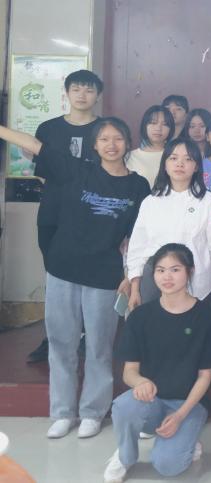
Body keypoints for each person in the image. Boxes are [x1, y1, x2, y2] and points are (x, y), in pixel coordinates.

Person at [0, 118, 150, 439]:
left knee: (99, 347)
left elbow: (137, 237)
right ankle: (63, 412)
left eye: (118, 138)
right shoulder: (76, 170)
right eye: (104, 139)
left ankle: (93, 412)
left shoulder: (138, 187)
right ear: (94, 145)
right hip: (63, 270)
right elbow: (34, 144)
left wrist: (129, 276)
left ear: (128, 143)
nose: (111, 145)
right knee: (61, 343)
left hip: (105, 276)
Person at [104, 244, 211, 482]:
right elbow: (129, 372)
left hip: (188, 404)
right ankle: (125, 456)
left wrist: (180, 415)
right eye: (160, 270)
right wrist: (140, 382)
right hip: (152, 401)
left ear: (189, 272)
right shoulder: (141, 316)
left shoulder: (206, 317)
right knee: (123, 406)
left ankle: (186, 439)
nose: (167, 277)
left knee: (168, 466)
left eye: (175, 269)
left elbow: (205, 376)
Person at [27, 69, 104, 365]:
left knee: (87, 275)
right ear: (67, 93)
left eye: (89, 89)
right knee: (55, 276)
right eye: (76, 89)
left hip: (91, 216)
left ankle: (84, 336)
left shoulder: (105, 129)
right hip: (53, 214)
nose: (82, 95)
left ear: (98, 95)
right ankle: (53, 338)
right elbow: (42, 173)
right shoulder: (48, 129)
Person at [125, 139, 211, 310]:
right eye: (173, 158)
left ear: (196, 166)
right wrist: (135, 288)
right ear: (165, 165)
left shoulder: (209, 201)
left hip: (197, 279)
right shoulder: (151, 201)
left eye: (188, 159)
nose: (180, 164)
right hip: (154, 280)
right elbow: (137, 247)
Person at [127, 105, 174, 188]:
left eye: (165, 124)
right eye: (153, 123)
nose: (158, 128)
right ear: (144, 126)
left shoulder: (175, 156)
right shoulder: (129, 156)